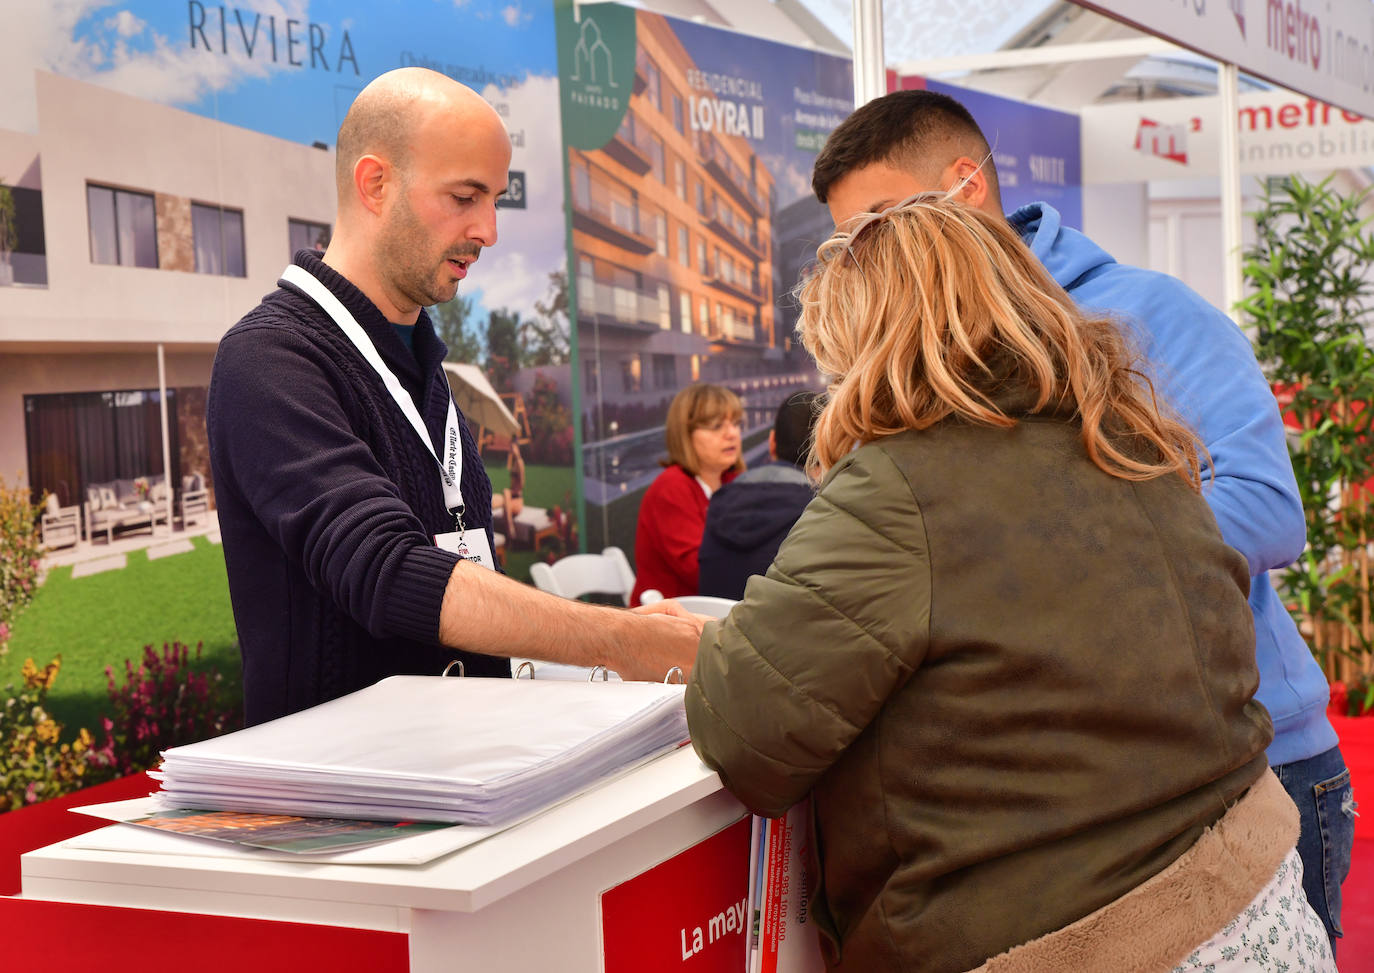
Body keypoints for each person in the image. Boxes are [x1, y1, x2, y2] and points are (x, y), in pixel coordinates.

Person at [686, 195, 1334, 972]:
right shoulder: (1130, 436)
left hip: (1082, 945)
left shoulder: (896, 488)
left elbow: (745, 731)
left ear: (866, 339)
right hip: (1257, 907)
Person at [810, 88, 1354, 951]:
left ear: (963, 187)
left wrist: (1062, 557)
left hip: (1258, 757)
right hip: (1089, 790)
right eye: (846, 242)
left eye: (879, 223)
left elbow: (1266, 506)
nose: (863, 258)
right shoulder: (921, 359)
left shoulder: (1148, 311)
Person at [208, 68, 701, 726]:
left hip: (464, 772)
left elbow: (459, 558)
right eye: (466, 197)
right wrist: (624, 642)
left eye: (495, 199)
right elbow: (386, 570)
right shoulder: (269, 360)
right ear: (375, 184)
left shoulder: (425, 364)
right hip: (345, 807)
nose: (490, 229)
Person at [697, 390, 820, 600]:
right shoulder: (820, 515)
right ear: (834, 451)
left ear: (772, 442)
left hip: (713, 627)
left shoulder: (720, 500)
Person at [629, 383, 744, 606]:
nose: (732, 434)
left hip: (713, 614)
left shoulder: (734, 481)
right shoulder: (671, 488)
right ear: (686, 435)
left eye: (736, 424)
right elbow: (702, 571)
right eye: (716, 426)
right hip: (666, 624)